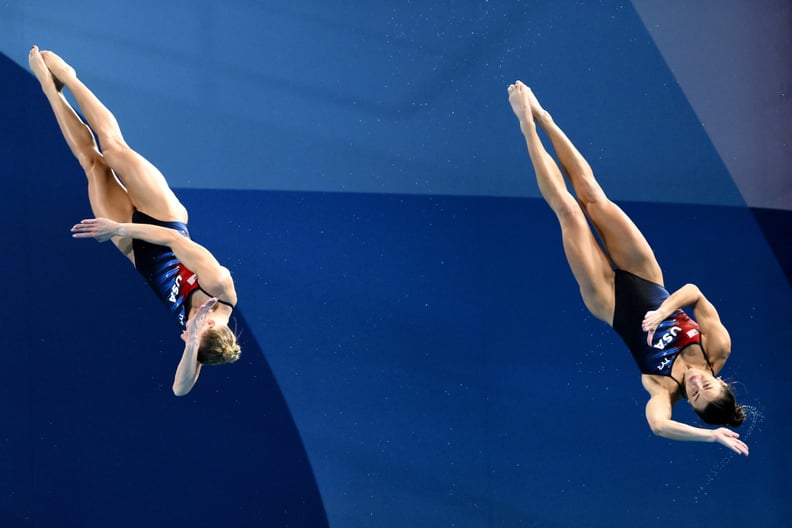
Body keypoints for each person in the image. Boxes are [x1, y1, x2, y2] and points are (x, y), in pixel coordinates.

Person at [507, 80, 748, 455]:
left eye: (696, 396)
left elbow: (658, 424)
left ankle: (525, 124)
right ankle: (544, 117)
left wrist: (710, 436)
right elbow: (694, 292)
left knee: (569, 211)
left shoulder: (663, 387)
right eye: (709, 386)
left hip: (609, 303)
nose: (698, 384)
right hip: (648, 280)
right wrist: (664, 311)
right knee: (591, 196)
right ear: (724, 383)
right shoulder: (718, 346)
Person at [29, 46, 240, 396]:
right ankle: (69, 77)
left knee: (91, 163)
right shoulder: (220, 285)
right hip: (165, 220)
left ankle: (50, 90)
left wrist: (190, 349)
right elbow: (175, 243)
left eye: (186, 338)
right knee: (112, 148)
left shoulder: (199, 343)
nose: (183, 333)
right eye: (189, 333)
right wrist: (119, 228)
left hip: (132, 249)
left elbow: (180, 389)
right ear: (210, 323)